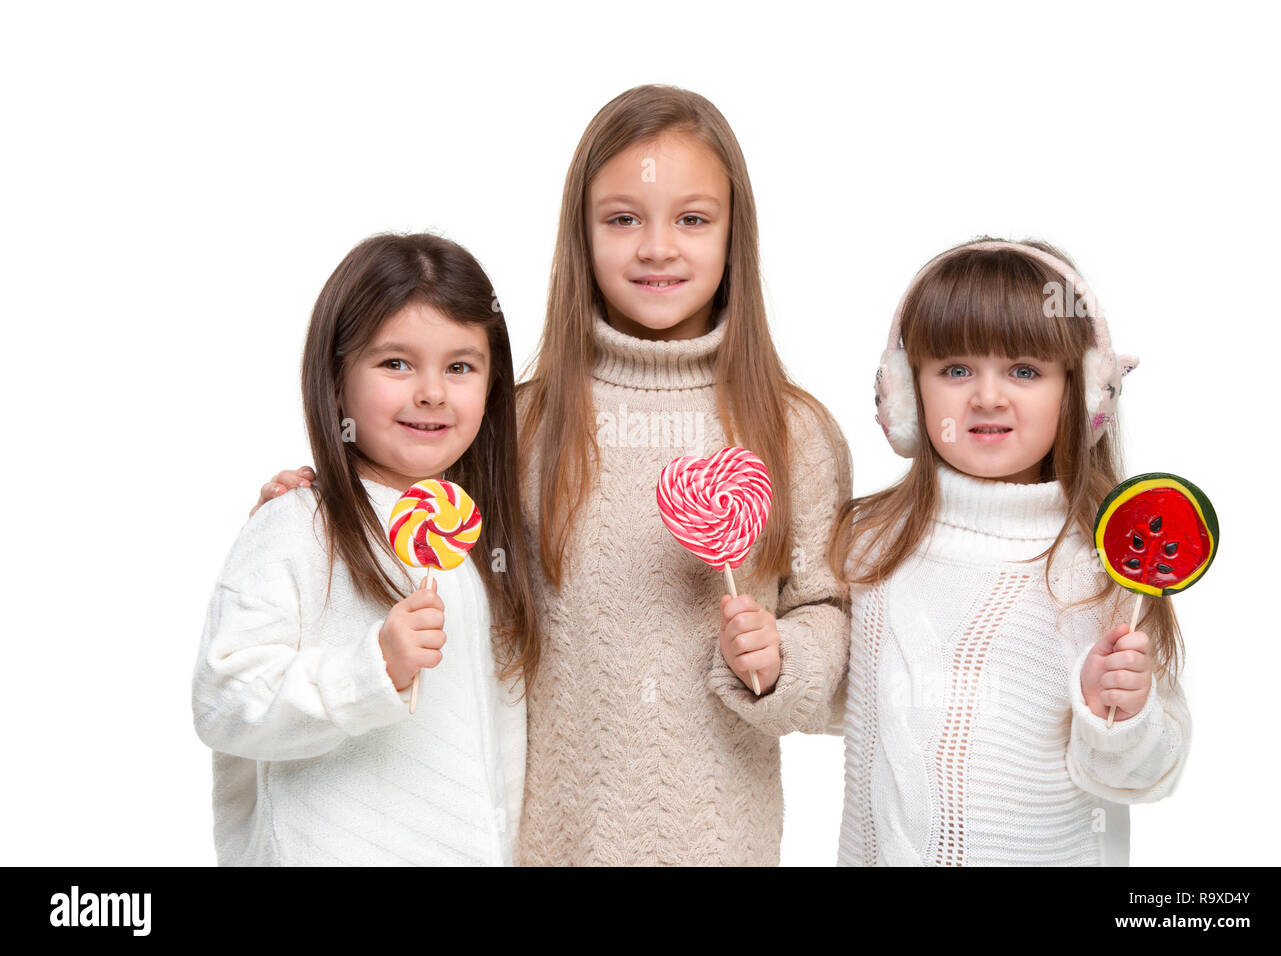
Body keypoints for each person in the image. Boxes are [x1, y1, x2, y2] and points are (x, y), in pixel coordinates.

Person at [259, 85, 852, 865]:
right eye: (623, 219)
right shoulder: (520, 423)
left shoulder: (794, 432)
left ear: (735, 235)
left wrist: (783, 660)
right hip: (543, 837)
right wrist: (330, 507)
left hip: (720, 838)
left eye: (693, 219)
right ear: (581, 234)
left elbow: (830, 613)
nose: (657, 247)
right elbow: (428, 544)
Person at [830, 238, 1190, 866]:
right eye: (955, 369)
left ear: (1082, 395)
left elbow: (1146, 774)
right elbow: (837, 702)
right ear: (905, 396)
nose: (988, 397)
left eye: (1024, 370)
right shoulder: (869, 544)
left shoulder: (1103, 567)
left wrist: (1120, 714)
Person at [195, 233, 539, 865]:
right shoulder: (298, 525)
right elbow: (225, 702)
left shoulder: (485, 538)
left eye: (460, 366)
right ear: (336, 377)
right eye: (396, 364)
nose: (432, 392)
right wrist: (372, 666)